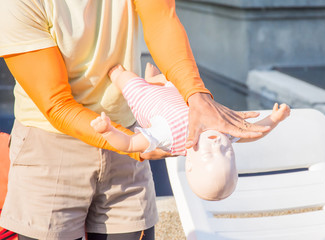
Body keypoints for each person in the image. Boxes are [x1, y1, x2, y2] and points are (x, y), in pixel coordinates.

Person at [0, 0, 271, 239]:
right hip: (51, 146)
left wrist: (197, 96)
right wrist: (131, 143)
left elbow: (162, 21)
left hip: (127, 140)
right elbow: (56, 104)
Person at [91, 63, 291, 201]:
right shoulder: (222, 130)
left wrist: (107, 131)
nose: (217, 145)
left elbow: (129, 144)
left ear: (189, 163)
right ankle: (154, 79)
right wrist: (275, 119)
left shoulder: (169, 136)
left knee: (125, 77)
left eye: (208, 154)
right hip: (176, 93)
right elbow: (253, 133)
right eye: (227, 152)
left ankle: (123, 76)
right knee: (177, 80)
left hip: (148, 100)